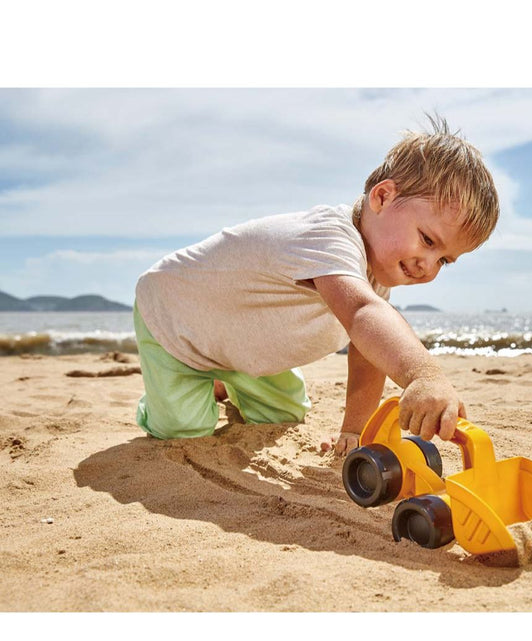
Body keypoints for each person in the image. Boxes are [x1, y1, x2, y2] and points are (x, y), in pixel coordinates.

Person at [133, 115, 499, 457]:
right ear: (382, 197)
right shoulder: (329, 237)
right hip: (176, 321)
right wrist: (423, 375)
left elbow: (367, 350)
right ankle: (168, 395)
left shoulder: (372, 272)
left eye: (444, 261)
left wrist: (355, 431)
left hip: (240, 343)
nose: (427, 266)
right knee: (186, 428)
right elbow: (363, 314)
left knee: (284, 414)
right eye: (427, 240)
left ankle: (223, 382)